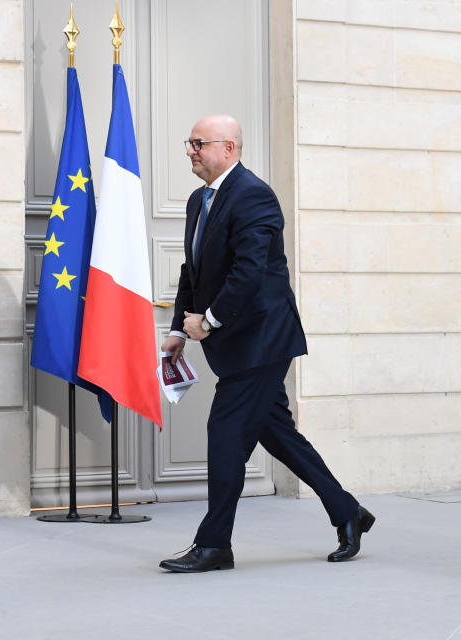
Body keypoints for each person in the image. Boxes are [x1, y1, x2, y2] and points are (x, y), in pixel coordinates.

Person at [158, 114, 374, 573]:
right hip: (236, 341)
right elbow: (191, 272)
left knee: (225, 434)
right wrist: (179, 330)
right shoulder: (200, 200)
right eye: (189, 142)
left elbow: (249, 272)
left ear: (229, 148)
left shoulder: (254, 195)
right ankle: (347, 510)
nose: (190, 150)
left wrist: (209, 322)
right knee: (277, 434)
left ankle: (214, 545)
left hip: (261, 340)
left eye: (199, 143)